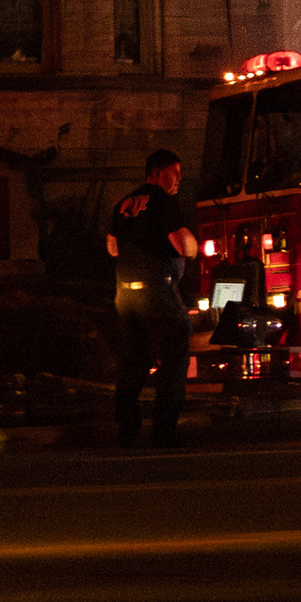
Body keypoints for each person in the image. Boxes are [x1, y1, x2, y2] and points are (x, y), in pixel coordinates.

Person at [105, 148, 199, 448]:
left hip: (124, 294)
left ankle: (127, 430)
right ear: (157, 173)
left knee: (133, 360)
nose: (179, 179)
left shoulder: (123, 203)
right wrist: (193, 246)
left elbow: (112, 247)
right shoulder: (163, 201)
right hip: (157, 291)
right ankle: (164, 431)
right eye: (175, 173)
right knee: (175, 350)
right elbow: (183, 245)